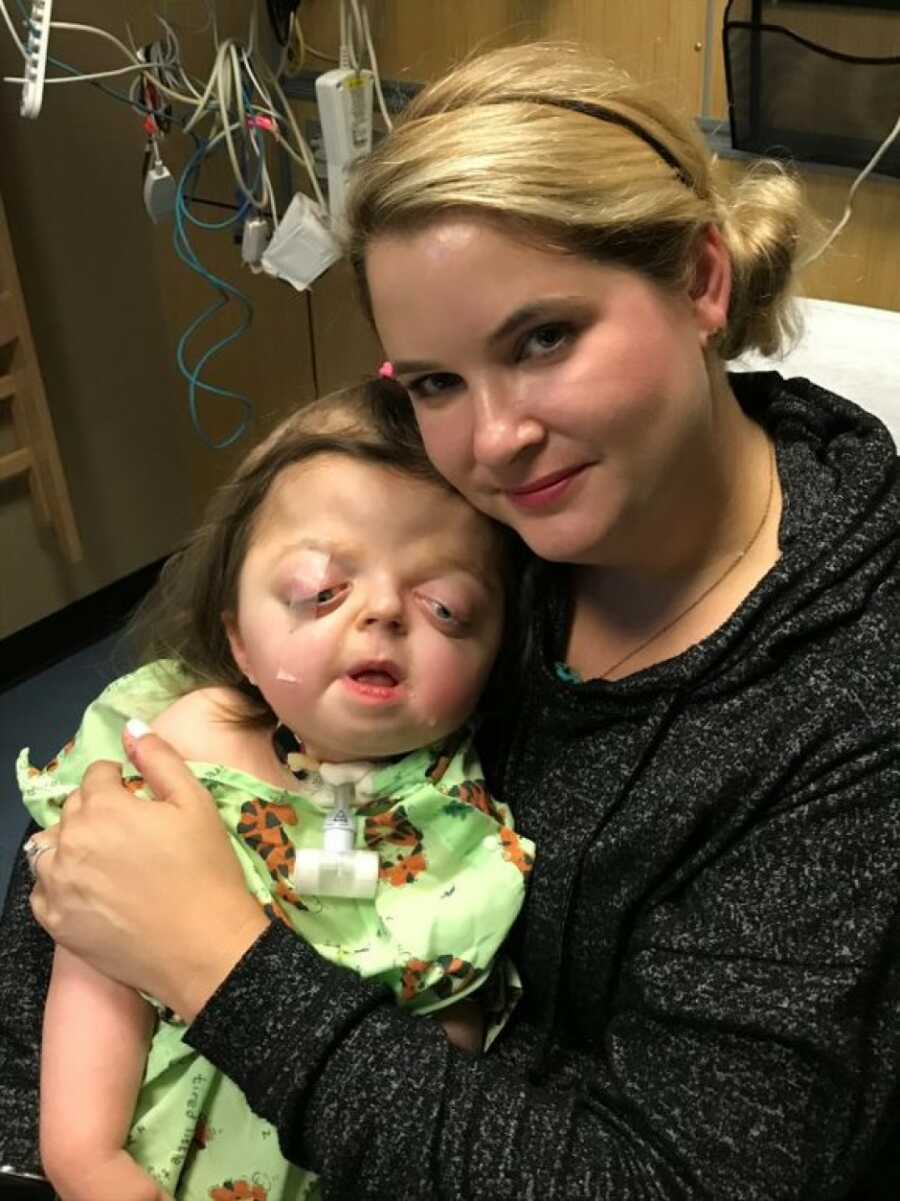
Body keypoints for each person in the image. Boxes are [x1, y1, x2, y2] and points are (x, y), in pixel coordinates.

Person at [3, 39, 899, 1200]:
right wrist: (51, 1128)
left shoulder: (852, 701)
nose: (492, 442)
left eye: (544, 340)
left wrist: (215, 956)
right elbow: (141, 815)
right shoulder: (473, 520)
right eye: (435, 381)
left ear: (701, 281)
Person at [12, 384, 533, 1201]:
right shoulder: (179, 747)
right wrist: (87, 1160)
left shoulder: (463, 828)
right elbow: (97, 945)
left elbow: (440, 1079)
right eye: (322, 589)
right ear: (238, 637)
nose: (383, 612)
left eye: (446, 606)